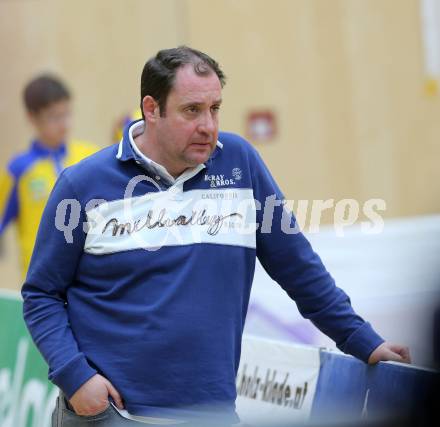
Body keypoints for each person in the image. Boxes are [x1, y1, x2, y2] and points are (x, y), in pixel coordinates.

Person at [21, 46, 411, 426]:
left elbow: (298, 267)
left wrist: (363, 340)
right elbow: (41, 294)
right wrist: (76, 378)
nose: (208, 125)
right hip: (110, 413)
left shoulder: (240, 164)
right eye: (192, 110)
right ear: (151, 109)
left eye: (215, 109)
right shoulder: (82, 184)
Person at [0, 74, 99, 276]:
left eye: (67, 114)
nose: (64, 124)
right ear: (32, 117)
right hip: (42, 285)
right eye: (54, 117)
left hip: (87, 278)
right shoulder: (20, 170)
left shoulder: (89, 157)